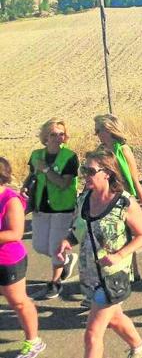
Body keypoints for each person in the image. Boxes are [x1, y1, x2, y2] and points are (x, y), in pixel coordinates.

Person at [57, 149, 142, 358]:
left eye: (90, 171)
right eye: (84, 170)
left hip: (113, 277)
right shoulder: (84, 200)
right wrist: (67, 241)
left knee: (92, 333)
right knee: (114, 318)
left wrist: (119, 255)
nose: (85, 175)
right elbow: (78, 231)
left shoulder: (123, 203)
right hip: (89, 274)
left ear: (107, 173)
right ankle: (139, 345)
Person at [22, 118, 78, 299]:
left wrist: (46, 169)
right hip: (41, 206)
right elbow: (32, 175)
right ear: (45, 137)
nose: (57, 137)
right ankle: (67, 259)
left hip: (63, 208)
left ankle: (55, 283)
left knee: (55, 248)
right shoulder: (36, 154)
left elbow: (63, 183)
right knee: (39, 246)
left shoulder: (70, 157)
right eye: (53, 134)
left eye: (61, 134)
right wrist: (24, 187)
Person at [0, 157, 46, 358]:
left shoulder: (10, 200)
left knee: (18, 302)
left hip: (8, 260)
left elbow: (15, 233)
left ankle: (33, 341)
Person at [94, 115, 142, 222]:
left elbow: (134, 180)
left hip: (124, 197)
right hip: (106, 196)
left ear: (108, 130)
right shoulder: (100, 150)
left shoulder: (124, 150)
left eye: (97, 131)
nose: (96, 134)